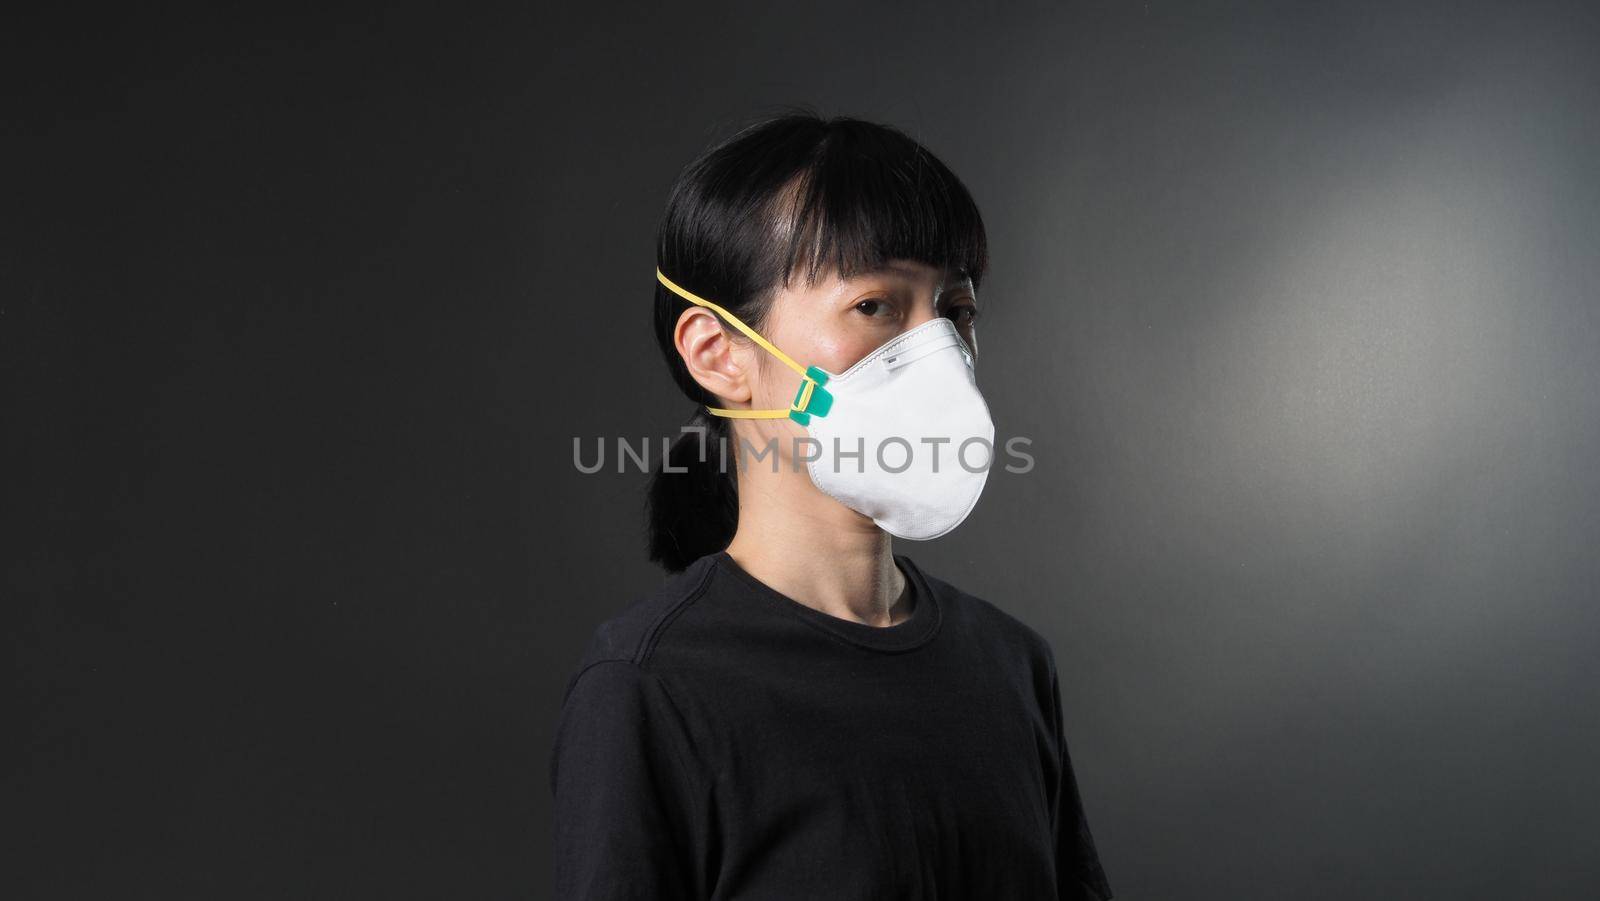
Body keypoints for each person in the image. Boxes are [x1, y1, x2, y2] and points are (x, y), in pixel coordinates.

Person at [548, 109, 1113, 900]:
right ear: (720, 355)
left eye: (955, 312)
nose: (938, 355)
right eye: (876, 306)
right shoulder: (650, 689)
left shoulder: (1011, 666)